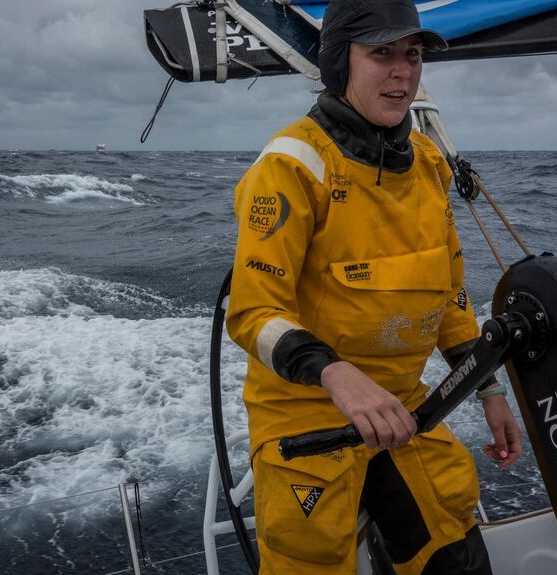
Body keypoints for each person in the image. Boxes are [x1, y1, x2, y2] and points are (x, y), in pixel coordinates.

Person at [224, 0, 523, 572]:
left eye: (412, 56)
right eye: (381, 53)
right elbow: (254, 311)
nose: (403, 71)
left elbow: (451, 298)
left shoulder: (431, 164)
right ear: (340, 63)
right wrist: (338, 376)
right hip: (304, 415)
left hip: (404, 411)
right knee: (307, 554)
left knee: (453, 547)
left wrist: (489, 390)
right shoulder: (291, 165)